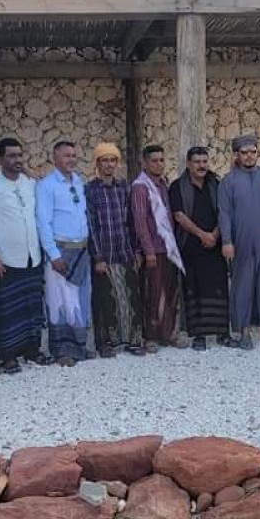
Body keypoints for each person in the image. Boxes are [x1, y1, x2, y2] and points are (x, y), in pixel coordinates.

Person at [0, 138, 48, 373]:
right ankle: (7, 356)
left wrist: (27, 172)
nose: (17, 160)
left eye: (20, 155)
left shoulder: (29, 184)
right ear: (0, 159)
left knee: (31, 307)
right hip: (6, 259)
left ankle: (32, 350)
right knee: (6, 310)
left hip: (32, 256)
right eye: (11, 156)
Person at [218, 133, 260, 349]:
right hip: (241, 242)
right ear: (236, 155)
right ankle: (244, 332)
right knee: (242, 285)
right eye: (244, 152)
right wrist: (227, 241)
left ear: (258, 153)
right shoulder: (228, 182)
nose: (249, 156)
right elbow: (224, 213)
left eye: (253, 152)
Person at [85, 142, 147, 358]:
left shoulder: (124, 187)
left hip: (125, 251)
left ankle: (133, 339)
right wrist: (97, 257)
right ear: (97, 163)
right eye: (104, 160)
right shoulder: (90, 190)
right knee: (106, 298)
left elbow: (132, 222)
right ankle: (106, 342)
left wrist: (137, 249)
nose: (109, 164)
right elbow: (91, 225)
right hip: (104, 253)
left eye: (113, 160)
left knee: (131, 297)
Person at [36, 140, 92, 367]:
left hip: (81, 251)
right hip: (60, 253)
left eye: (73, 155)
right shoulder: (46, 186)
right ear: (55, 158)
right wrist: (53, 253)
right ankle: (62, 351)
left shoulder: (78, 182)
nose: (71, 159)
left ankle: (79, 346)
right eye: (66, 156)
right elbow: (43, 222)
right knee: (59, 302)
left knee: (79, 301)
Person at [169, 146, 230, 351]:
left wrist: (214, 234)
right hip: (191, 246)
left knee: (219, 288)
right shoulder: (178, 186)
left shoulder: (216, 184)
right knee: (194, 289)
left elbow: (225, 211)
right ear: (188, 163)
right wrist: (202, 235)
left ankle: (223, 332)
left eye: (204, 161)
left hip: (215, 246)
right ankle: (199, 335)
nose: (201, 165)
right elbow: (179, 216)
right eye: (197, 162)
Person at [131, 144, 187, 350]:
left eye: (162, 160)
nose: (159, 164)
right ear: (144, 162)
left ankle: (168, 333)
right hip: (153, 250)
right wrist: (148, 250)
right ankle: (151, 336)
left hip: (168, 248)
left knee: (170, 291)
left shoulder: (163, 185)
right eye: (154, 160)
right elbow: (140, 220)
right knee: (152, 293)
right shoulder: (140, 187)